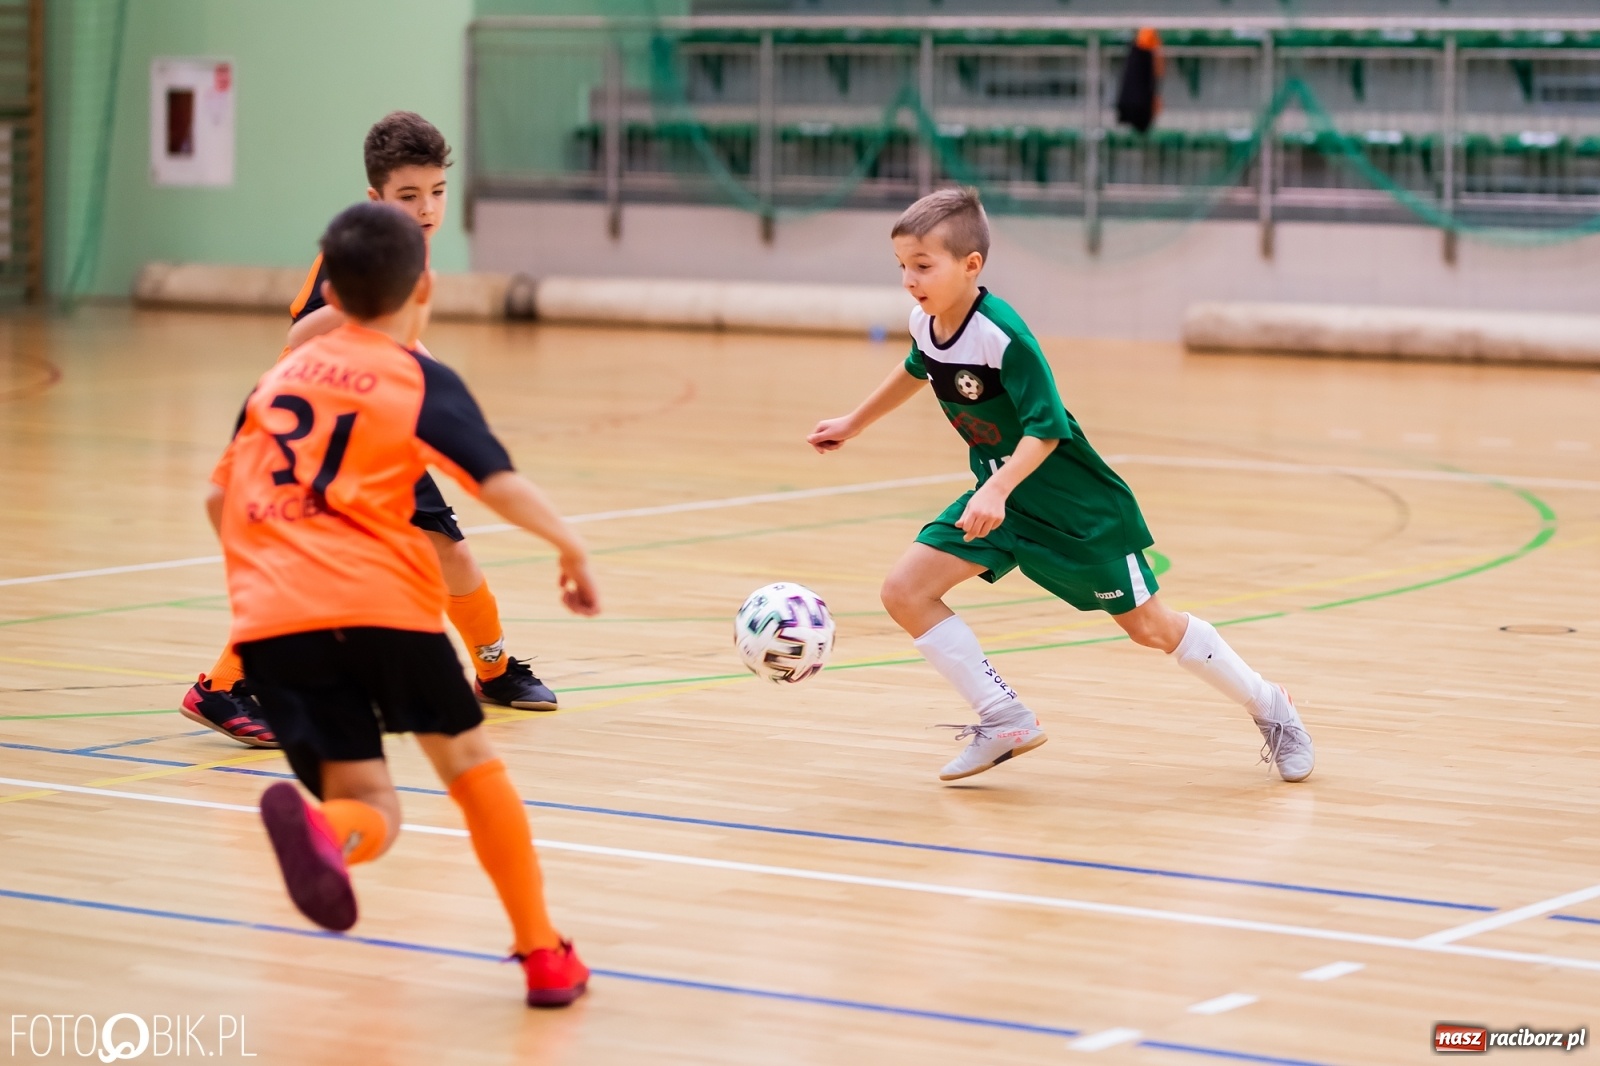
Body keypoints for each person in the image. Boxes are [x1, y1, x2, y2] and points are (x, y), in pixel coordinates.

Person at [208, 201, 595, 1005]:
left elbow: (219, 500)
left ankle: (328, 832)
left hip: (277, 624)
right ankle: (543, 953)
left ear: (330, 294)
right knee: (471, 768)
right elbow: (496, 483)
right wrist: (571, 547)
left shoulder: (273, 382)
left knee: (367, 804)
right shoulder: (417, 376)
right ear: (425, 287)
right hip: (382, 607)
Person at [806, 187, 1314, 784]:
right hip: (1000, 500)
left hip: (1074, 510)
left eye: (922, 266)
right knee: (904, 591)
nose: (909, 280)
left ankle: (1271, 706)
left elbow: (1047, 430)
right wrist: (854, 422)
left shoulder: (1003, 335)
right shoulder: (927, 322)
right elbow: (919, 364)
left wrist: (996, 490)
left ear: (971, 265)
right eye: (901, 266)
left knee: (1150, 627)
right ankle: (1005, 719)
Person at [182, 112, 555, 749]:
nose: (427, 207)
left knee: (449, 552)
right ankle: (221, 686)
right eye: (409, 195)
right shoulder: (355, 252)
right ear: (376, 197)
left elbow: (392, 331)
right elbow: (302, 333)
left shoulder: (410, 251)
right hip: (317, 429)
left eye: (436, 191)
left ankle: (493, 671)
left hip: (375, 424)